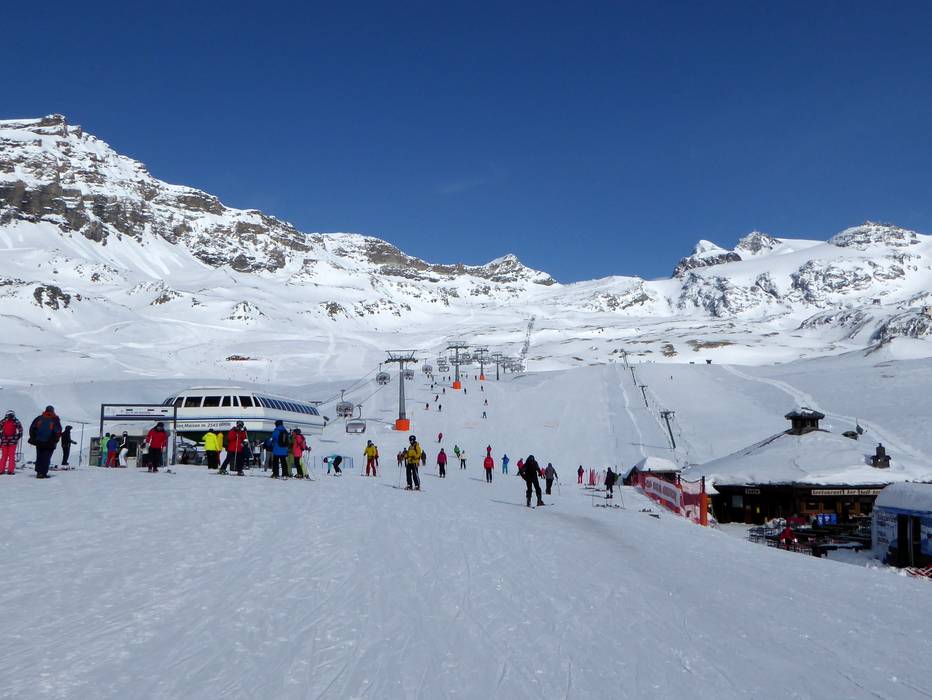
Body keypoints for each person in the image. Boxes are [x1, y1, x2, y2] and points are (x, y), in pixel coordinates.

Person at [29, 406, 62, 479]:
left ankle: (38, 472)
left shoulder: (39, 418)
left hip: (39, 441)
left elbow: (32, 428)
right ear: (53, 411)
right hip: (49, 443)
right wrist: (55, 441)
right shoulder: (55, 419)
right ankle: (43, 473)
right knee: (46, 458)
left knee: (39, 456)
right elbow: (58, 431)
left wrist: (34, 438)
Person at [0, 410, 23, 475]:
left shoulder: (3, 421)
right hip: (12, 441)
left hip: (4, 441)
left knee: (4, 456)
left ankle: (1, 470)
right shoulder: (16, 421)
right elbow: (21, 430)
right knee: (11, 456)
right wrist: (18, 436)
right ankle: (10, 470)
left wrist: (1, 436)